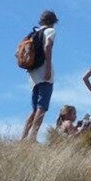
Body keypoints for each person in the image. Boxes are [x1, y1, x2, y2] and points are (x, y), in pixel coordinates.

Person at [21, 10, 58, 142]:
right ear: (53, 22)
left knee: (34, 108)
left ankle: (24, 136)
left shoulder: (33, 33)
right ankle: (32, 137)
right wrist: (48, 68)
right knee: (42, 107)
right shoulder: (50, 31)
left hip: (33, 72)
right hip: (44, 73)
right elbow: (48, 46)